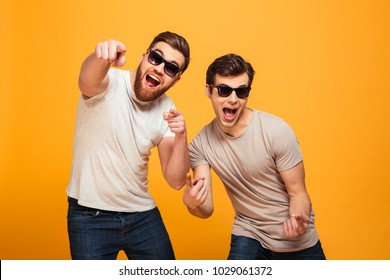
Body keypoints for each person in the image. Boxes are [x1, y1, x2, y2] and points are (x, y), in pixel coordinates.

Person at [184, 53, 326, 260]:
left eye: (241, 92)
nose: (233, 100)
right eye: (224, 90)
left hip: (297, 240)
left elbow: (298, 193)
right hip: (249, 233)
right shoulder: (200, 145)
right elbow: (206, 210)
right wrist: (192, 203)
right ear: (209, 90)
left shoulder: (276, 131)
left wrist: (298, 218)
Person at [66, 31, 191, 260]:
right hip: (90, 215)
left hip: (141, 216)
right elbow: (86, 79)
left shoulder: (167, 109)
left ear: (176, 79)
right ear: (144, 56)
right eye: (156, 58)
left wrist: (181, 135)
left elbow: (175, 180)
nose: (160, 68)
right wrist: (101, 56)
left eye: (171, 68)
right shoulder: (109, 83)